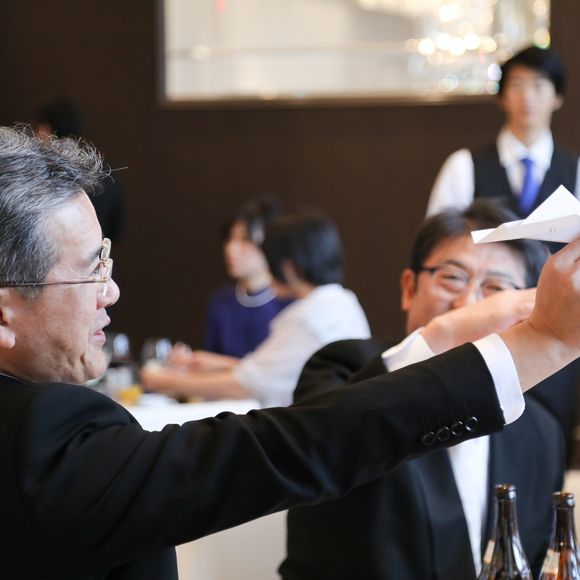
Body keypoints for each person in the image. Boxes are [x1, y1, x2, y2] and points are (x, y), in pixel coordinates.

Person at [1, 126, 580, 580]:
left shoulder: (540, 432)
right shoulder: (39, 437)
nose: (111, 291)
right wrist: (542, 340)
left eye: (107, 261)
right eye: (91, 271)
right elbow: (296, 444)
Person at [281, 200, 573, 580]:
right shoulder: (341, 369)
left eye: (496, 288)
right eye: (452, 278)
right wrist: (445, 333)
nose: (470, 303)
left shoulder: (540, 432)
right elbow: (321, 451)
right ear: (409, 288)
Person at [141, 210, 371, 407]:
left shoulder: (308, 319)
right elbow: (278, 371)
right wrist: (215, 364)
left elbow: (250, 384)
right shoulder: (342, 302)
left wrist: (162, 381)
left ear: (289, 267)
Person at [427, 45, 580, 218]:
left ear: (557, 97)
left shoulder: (576, 170)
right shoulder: (463, 166)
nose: (527, 96)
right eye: (517, 85)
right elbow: (441, 232)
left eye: (538, 85)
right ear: (502, 97)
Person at [204, 197, 292, 358]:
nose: (231, 248)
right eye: (230, 238)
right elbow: (209, 361)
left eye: (245, 239)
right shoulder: (221, 301)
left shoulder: (290, 304)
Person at [33, 97, 125, 243]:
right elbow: (116, 229)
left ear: (45, 130)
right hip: (99, 252)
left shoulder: (39, 172)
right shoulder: (106, 171)